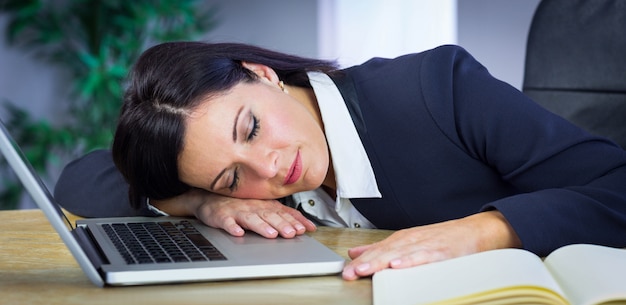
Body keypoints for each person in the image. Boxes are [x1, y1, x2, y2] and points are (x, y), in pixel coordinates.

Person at [54, 41, 626, 281]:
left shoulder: (436, 87)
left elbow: (617, 185)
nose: (270, 169)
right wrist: (203, 199)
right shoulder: (231, 180)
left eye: (250, 128)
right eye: (235, 175)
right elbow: (81, 177)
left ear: (263, 75)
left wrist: (484, 229)